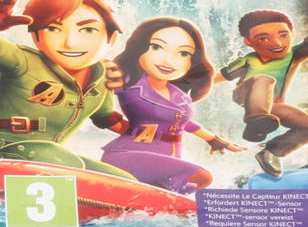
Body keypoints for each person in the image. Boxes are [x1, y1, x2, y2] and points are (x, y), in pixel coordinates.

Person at [0, 0, 133, 177]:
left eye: (88, 30)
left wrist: (145, 135)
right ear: (36, 36)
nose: (70, 42)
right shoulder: (24, 61)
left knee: (123, 179)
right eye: (53, 29)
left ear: (111, 38)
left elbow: (105, 117)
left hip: (49, 157)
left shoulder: (102, 78)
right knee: (62, 161)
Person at [101, 18, 244, 193]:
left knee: (183, 186)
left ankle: (155, 199)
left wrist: (212, 139)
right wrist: (116, 124)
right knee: (202, 176)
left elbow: (183, 121)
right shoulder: (128, 81)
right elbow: (96, 95)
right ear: (139, 48)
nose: (169, 61)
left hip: (169, 156)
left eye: (183, 53)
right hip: (128, 155)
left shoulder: (180, 95)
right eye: (156, 47)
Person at [214, 0, 308, 177]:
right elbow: (218, 77)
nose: (277, 43)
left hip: (272, 106)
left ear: (292, 33)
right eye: (263, 38)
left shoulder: (293, 56)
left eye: (283, 35)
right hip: (245, 95)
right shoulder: (248, 60)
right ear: (248, 42)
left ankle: (271, 152)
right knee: (264, 79)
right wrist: (187, 89)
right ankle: (255, 121)